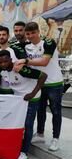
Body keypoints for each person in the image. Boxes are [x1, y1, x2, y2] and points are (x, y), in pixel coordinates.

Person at [15, 22, 64, 151]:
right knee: (40, 109)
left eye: (33, 33)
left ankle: (55, 139)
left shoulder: (48, 42)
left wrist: (26, 61)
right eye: (28, 34)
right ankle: (40, 134)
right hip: (39, 82)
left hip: (54, 83)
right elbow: (9, 47)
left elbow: (44, 61)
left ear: (38, 32)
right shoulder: (26, 46)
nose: (30, 36)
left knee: (56, 111)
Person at [0, 49, 47, 159]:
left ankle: (24, 153)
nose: (3, 64)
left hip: (31, 99)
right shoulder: (2, 71)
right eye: (0, 62)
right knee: (19, 124)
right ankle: (16, 147)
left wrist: (33, 93)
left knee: (28, 124)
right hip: (19, 101)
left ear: (10, 60)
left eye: (5, 61)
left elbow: (43, 76)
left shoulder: (20, 69)